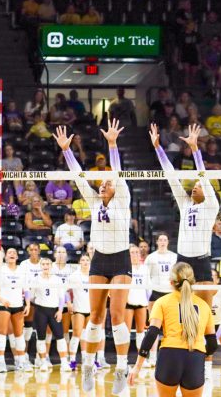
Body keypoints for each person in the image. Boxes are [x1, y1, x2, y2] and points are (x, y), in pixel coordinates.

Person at [55, 120, 132, 393]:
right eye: (101, 182)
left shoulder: (122, 198)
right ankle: (87, 365)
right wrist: (66, 151)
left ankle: (122, 368)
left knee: (117, 315)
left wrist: (112, 144)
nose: (103, 185)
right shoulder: (94, 201)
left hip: (121, 259)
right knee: (96, 316)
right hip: (99, 259)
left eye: (107, 183)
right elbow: (78, 177)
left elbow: (118, 172)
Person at [150, 123, 219, 308]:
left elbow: (203, 176)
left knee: (205, 311)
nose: (196, 185)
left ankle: (208, 337)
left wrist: (195, 148)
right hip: (182, 259)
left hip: (201, 260)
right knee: (179, 309)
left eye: (199, 185)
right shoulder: (185, 203)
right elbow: (171, 177)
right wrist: (157, 148)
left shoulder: (211, 205)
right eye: (195, 184)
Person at [128, 263, 217, 397]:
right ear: (192, 282)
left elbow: (152, 334)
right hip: (195, 357)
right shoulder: (204, 305)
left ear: (171, 282)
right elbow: (212, 344)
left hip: (169, 357)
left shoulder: (162, 302)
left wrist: (137, 366)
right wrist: (197, 357)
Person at [0, 248, 32, 372]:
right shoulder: (0, 270)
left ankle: (21, 361)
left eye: (14, 253)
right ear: (5, 257)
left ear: (17, 257)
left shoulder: (22, 271)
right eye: (9, 253)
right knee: (2, 333)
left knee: (19, 335)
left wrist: (28, 304)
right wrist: (1, 299)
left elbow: (27, 289)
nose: (12, 254)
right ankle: (1, 361)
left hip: (18, 305)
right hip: (5, 305)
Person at [31, 258, 72, 372]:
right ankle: (43, 362)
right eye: (43, 264)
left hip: (54, 311)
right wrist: (41, 303)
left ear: (51, 265)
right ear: (40, 266)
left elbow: (61, 297)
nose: (45, 266)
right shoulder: (36, 279)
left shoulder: (57, 280)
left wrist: (59, 311)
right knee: (41, 337)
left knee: (60, 337)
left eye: (47, 264)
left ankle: (64, 363)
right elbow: (32, 297)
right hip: (40, 311)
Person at [144, 233, 177, 367]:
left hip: (170, 293)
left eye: (165, 239)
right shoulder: (151, 257)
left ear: (168, 242)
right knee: (154, 326)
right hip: (156, 293)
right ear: (157, 242)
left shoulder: (174, 257)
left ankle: (169, 356)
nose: (163, 242)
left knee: (170, 326)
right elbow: (147, 276)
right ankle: (153, 357)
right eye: (160, 240)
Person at [125, 245, 150, 364]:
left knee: (141, 332)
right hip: (128, 304)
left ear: (139, 255)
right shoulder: (125, 268)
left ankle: (142, 360)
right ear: (128, 255)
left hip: (141, 304)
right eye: (132, 252)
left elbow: (148, 289)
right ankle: (123, 359)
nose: (134, 254)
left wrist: (148, 305)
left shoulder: (145, 269)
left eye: (136, 252)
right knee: (126, 332)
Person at [68, 254, 91, 369]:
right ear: (79, 262)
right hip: (78, 309)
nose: (85, 262)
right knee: (76, 334)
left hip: (90, 309)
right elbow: (66, 291)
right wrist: (69, 303)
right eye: (83, 260)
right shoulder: (74, 276)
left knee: (87, 335)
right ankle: (72, 360)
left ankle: (85, 358)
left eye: (87, 260)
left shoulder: (93, 275)